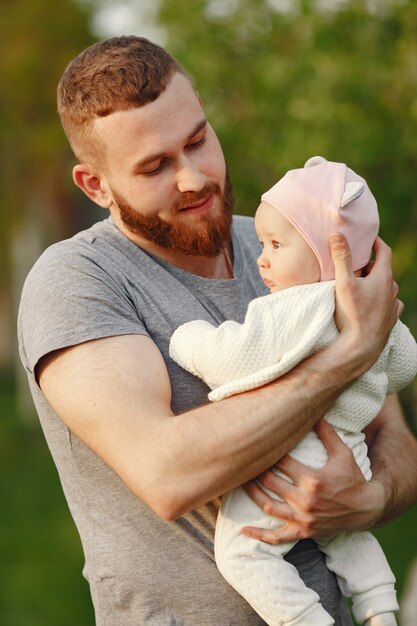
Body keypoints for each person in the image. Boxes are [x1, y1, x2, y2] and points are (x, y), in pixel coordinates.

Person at [16, 36, 417, 626]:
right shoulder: (78, 281)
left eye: (198, 141)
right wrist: (348, 353)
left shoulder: (288, 248)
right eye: (155, 166)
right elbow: (167, 474)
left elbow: (393, 434)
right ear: (95, 186)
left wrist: (366, 501)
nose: (193, 178)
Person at [169, 156, 417, 626]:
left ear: (328, 251)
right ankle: (379, 608)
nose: (261, 257)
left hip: (290, 459)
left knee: (242, 551)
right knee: (343, 532)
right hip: (350, 454)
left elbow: (231, 357)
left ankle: (304, 619)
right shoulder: (375, 307)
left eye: (277, 244)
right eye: (263, 242)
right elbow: (405, 366)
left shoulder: (291, 307)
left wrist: (189, 338)